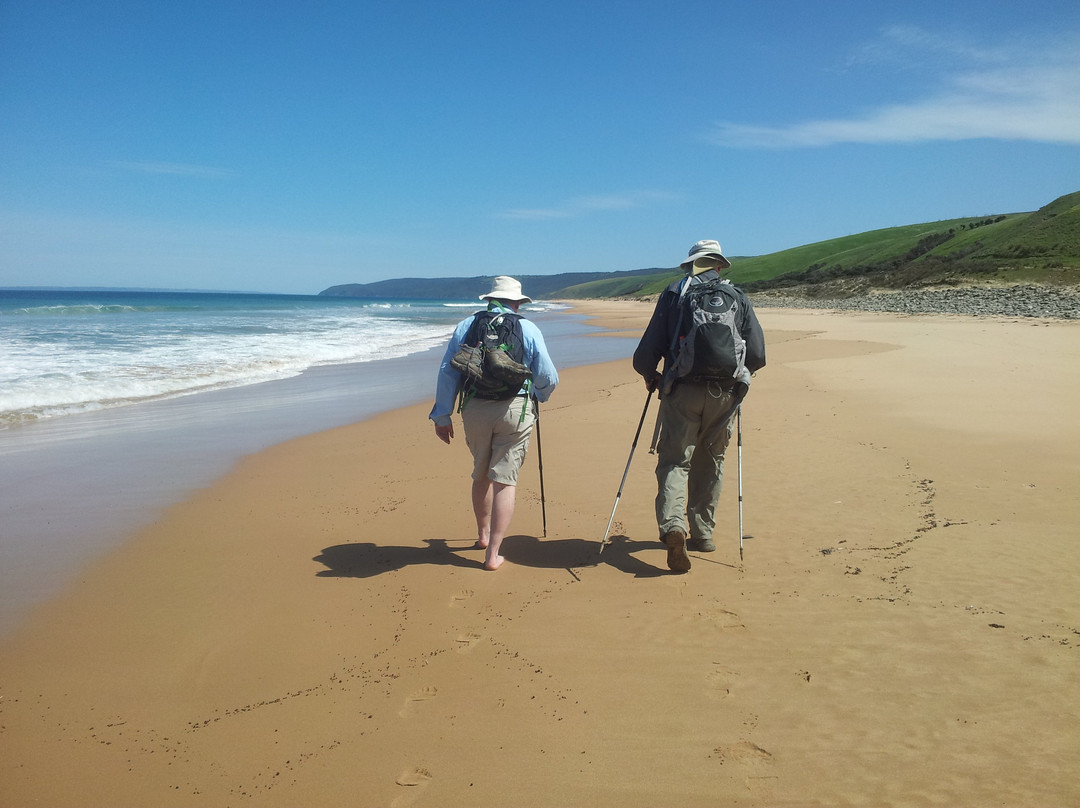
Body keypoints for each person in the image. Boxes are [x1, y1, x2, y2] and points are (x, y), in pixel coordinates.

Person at [633, 240, 766, 572]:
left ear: (690, 265)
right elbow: (758, 354)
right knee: (712, 459)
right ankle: (703, 534)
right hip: (725, 395)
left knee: (676, 462)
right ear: (718, 266)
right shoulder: (737, 297)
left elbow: (648, 348)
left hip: (681, 390)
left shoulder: (675, 294)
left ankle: (674, 526)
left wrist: (651, 375)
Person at [430, 276, 559, 570]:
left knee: (481, 474)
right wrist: (539, 395)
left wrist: (442, 415)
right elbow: (548, 376)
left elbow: (447, 372)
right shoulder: (527, 327)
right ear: (517, 302)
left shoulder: (467, 325)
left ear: (489, 299)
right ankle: (493, 555)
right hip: (516, 408)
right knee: (505, 479)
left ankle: (483, 535)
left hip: (475, 408)